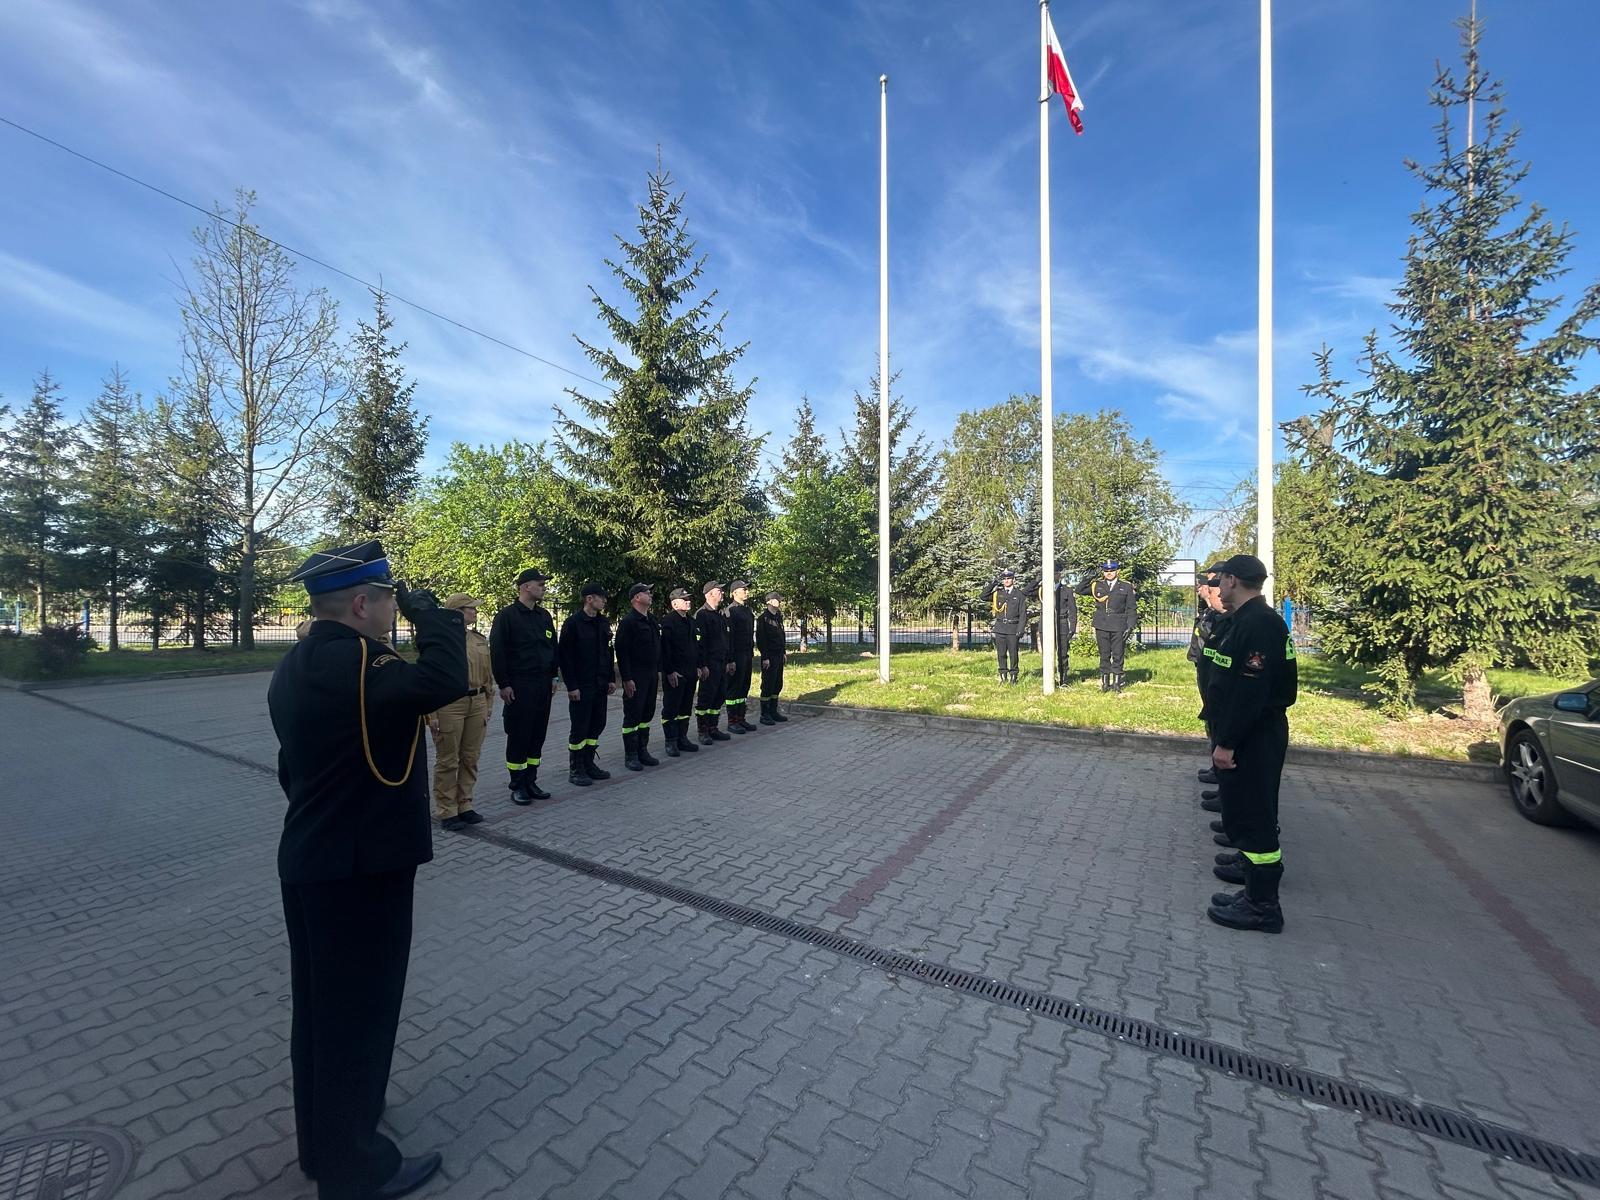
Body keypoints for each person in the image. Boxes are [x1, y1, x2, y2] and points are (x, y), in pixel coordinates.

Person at [268, 539, 464, 1200]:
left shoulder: (294, 664)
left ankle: (328, 1139)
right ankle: (355, 1172)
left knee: (320, 1015)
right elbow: (444, 679)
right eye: (387, 599)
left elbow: (290, 768)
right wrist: (434, 614)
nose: (392, 611)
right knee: (360, 1013)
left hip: (311, 857)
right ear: (361, 603)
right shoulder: (363, 664)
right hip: (362, 867)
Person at [1203, 553, 1297, 934]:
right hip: (1250, 731)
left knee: (1256, 821)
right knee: (1246, 812)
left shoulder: (1257, 624)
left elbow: (1249, 693)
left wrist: (1226, 743)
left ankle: (1262, 907)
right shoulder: (1250, 619)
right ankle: (1251, 880)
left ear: (1232, 581)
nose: (1216, 587)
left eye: (1221, 580)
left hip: (1253, 734)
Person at [489, 568, 558, 803]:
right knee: (519, 734)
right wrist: (504, 684)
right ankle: (517, 784)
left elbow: (552, 648)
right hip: (520, 684)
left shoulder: (544, 616)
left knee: (538, 733)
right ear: (525, 586)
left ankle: (531, 781)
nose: (544, 588)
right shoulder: (506, 616)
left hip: (543, 684)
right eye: (540, 584)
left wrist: (554, 676)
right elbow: (498, 653)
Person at [427, 594, 493, 830]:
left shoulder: (478, 639)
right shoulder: (440, 640)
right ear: (456, 612)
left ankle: (465, 804)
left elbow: (487, 676)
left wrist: (488, 704)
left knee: (470, 757)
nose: (475, 612)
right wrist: (431, 714)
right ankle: (447, 810)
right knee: (448, 760)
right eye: (470, 608)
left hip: (477, 702)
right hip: (449, 703)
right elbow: (430, 678)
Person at [559, 583, 617, 787]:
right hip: (582, 685)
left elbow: (608, 652)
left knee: (597, 724)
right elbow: (565, 657)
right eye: (601, 597)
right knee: (580, 727)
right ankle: (576, 768)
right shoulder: (573, 623)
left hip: (600, 683)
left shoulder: (603, 622)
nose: (605, 601)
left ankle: (588, 763)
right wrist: (571, 686)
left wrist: (611, 678)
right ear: (589, 599)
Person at [1190, 566, 1230, 812]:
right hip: (1210, 677)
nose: (1206, 586)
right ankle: (1221, 783)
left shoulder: (1231, 618)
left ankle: (1229, 796)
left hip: (1221, 685)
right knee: (1213, 726)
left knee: (1221, 730)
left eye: (1213, 582)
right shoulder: (1211, 612)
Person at [615, 583, 663, 771]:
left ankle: (643, 750)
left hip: (651, 674)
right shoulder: (629, 622)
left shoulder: (651, 620)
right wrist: (627, 678)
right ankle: (631, 755)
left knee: (647, 713)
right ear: (636, 598)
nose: (650, 594)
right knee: (633, 715)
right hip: (636, 675)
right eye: (646, 592)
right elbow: (622, 652)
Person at [1077, 560, 1137, 692]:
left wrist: (1131, 626)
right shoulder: (1097, 585)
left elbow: (1131, 608)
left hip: (1119, 625)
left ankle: (1116, 683)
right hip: (1102, 624)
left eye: (1112, 570)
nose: (1109, 573)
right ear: (1103, 572)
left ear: (1117, 571)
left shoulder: (1126, 587)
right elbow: (1079, 590)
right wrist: (1087, 578)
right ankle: (1105, 683)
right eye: (1106, 571)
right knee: (1104, 655)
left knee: (1118, 655)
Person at [658, 588, 700, 755]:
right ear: (674, 604)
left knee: (685, 707)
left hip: (690, 671)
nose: (688, 601)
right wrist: (670, 671)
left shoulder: (690, 621)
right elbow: (665, 649)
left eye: (689, 599)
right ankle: (671, 741)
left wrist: (698, 665)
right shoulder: (668, 621)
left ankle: (682, 738)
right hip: (676, 672)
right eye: (684, 599)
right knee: (671, 707)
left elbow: (696, 645)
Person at [694, 581, 731, 743]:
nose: (722, 593)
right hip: (709, 663)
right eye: (719, 590)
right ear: (709, 594)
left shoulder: (720, 614)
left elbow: (725, 640)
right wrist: (702, 665)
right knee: (706, 697)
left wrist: (728, 661)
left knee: (719, 695)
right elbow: (699, 644)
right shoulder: (702, 615)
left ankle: (713, 728)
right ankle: (703, 731)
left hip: (721, 662)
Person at [724, 580, 758, 733]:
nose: (746, 592)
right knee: (734, 688)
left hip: (746, 654)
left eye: (746, 589)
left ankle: (741, 718)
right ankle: (732, 722)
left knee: (744, 686)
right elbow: (729, 638)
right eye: (743, 590)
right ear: (734, 593)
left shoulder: (747, 610)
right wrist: (730, 659)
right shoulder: (730, 611)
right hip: (736, 654)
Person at [984, 569, 1027, 684]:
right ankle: (1003, 676)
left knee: (1013, 654)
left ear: (1013, 580)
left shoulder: (1019, 594)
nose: (1006, 581)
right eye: (1004, 579)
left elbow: (1023, 614)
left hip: (1013, 628)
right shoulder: (998, 593)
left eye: (1009, 578)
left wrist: (1020, 629)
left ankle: (1013, 676)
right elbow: (983, 596)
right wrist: (993, 584)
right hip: (1000, 628)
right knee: (1001, 654)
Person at [756, 590, 789, 724]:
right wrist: (765, 657)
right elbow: (761, 639)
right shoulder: (763, 618)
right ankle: (764, 714)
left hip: (779, 654)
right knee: (768, 684)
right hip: (769, 656)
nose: (779, 602)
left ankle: (773, 711)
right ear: (769, 602)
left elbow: (782, 636)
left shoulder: (778, 617)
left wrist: (784, 652)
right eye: (776, 599)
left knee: (777, 684)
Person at [1052, 571, 1080, 686]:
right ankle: (1050, 678)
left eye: (1056, 573)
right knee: (1048, 653)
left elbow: (1073, 610)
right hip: (1047, 624)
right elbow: (1025, 592)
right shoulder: (1043, 590)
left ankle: (1063, 678)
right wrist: (1037, 580)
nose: (1053, 576)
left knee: (1062, 652)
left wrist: (1072, 627)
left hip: (1062, 622)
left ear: (1060, 575)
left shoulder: (1066, 590)